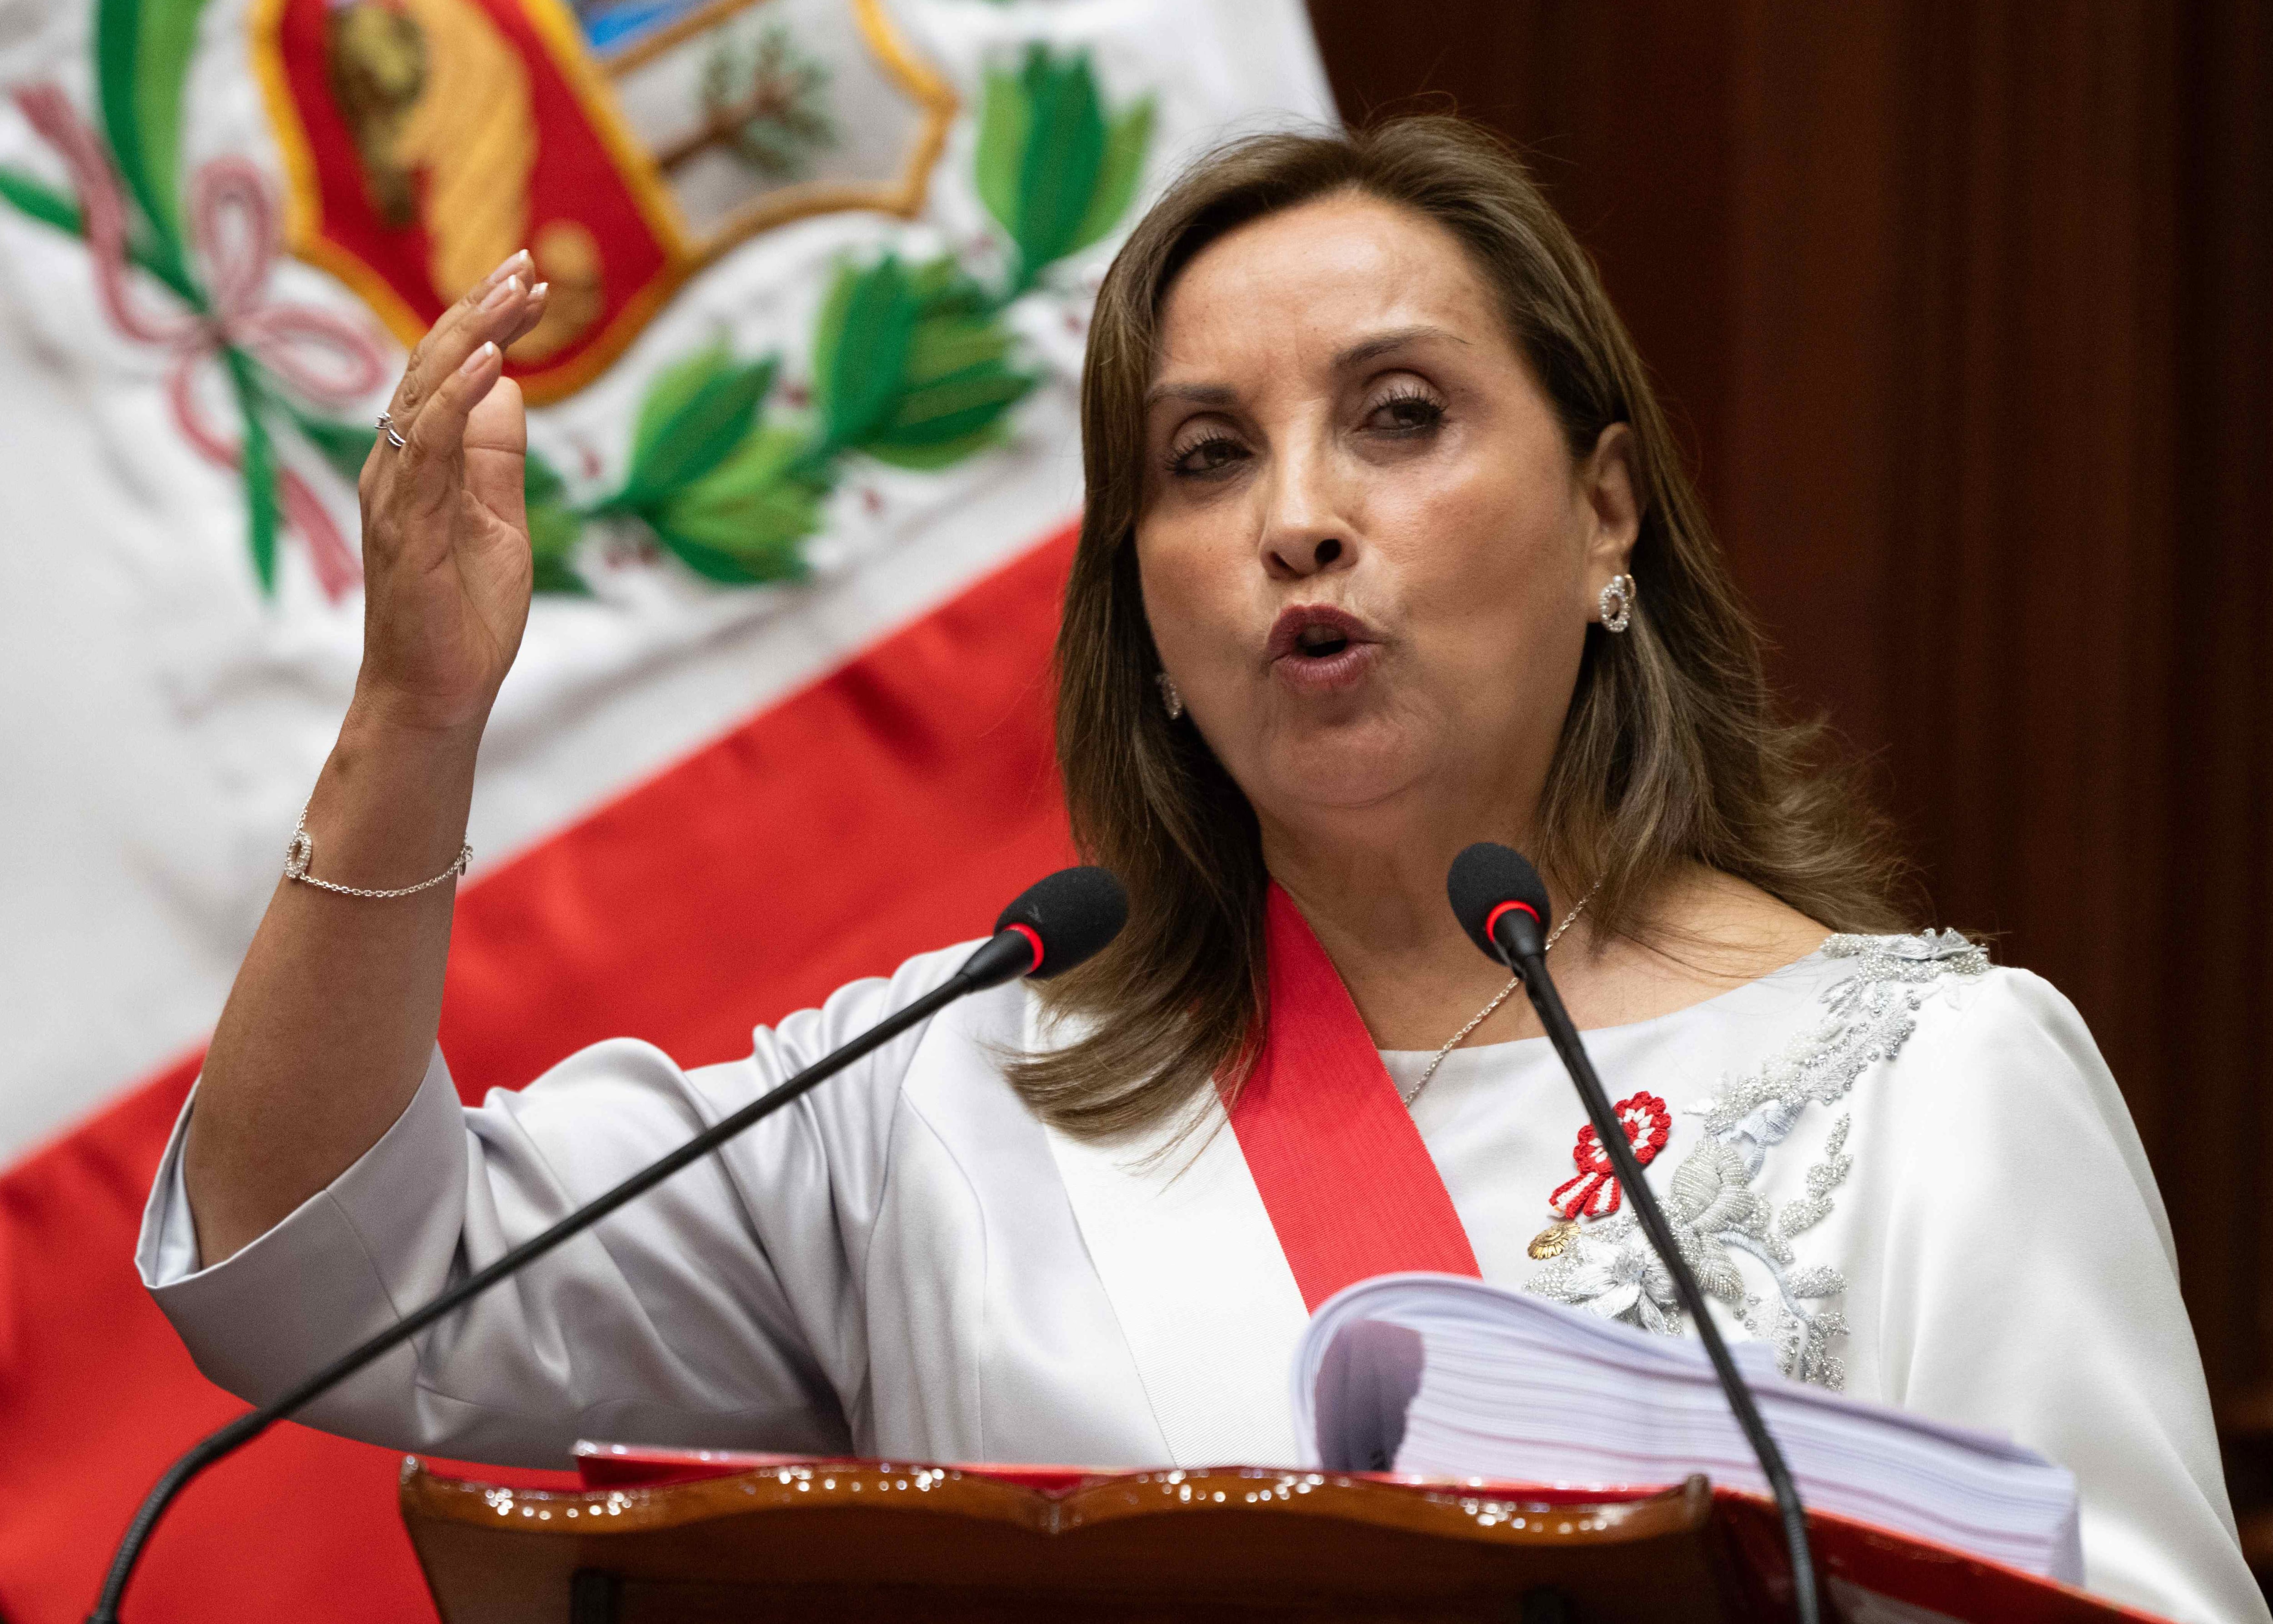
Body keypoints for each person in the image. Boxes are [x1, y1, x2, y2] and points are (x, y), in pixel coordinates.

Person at [139, 119, 2261, 1622]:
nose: (1297, 520)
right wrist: (413, 718)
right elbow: (324, 1272)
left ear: (1609, 511)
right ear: (1140, 604)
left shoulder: (1936, 1081)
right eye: (1204, 455)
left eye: (1400, 416)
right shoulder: (937, 1097)